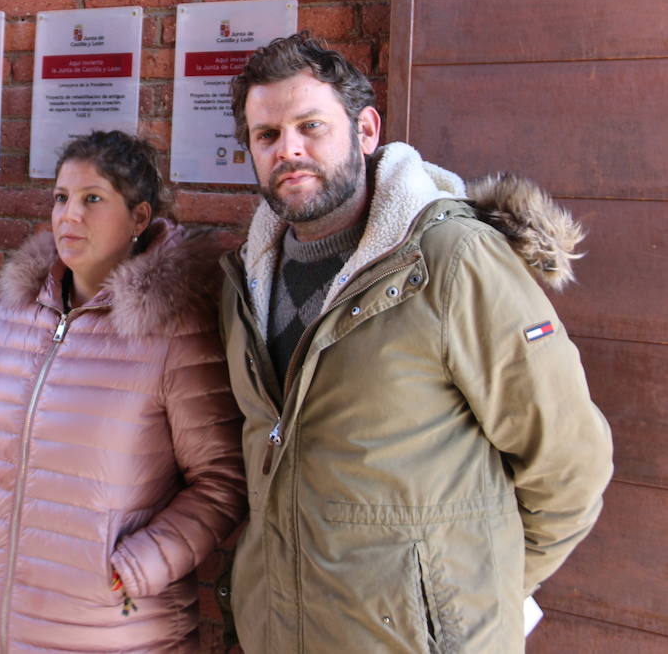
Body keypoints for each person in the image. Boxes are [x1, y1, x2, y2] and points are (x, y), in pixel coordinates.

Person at [220, 33, 613, 652]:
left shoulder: (454, 262)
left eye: (311, 126)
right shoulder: (245, 280)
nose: (288, 149)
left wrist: (467, 604)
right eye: (266, 135)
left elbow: (571, 465)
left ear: (367, 130)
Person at [0, 130, 247, 653]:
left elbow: (222, 479)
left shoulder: (174, 327)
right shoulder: (15, 311)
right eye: (61, 198)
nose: (70, 215)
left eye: (93, 199)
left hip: (115, 621)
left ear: (138, 218)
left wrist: (138, 565)